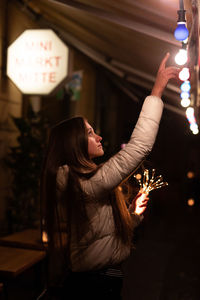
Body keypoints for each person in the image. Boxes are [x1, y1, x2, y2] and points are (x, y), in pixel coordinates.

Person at [40, 53, 179, 300]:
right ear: (75, 144)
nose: (99, 137)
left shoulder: (86, 182)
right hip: (95, 284)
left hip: (102, 279)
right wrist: (157, 91)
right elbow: (139, 148)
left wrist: (133, 214)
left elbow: (103, 233)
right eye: (91, 133)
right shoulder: (86, 184)